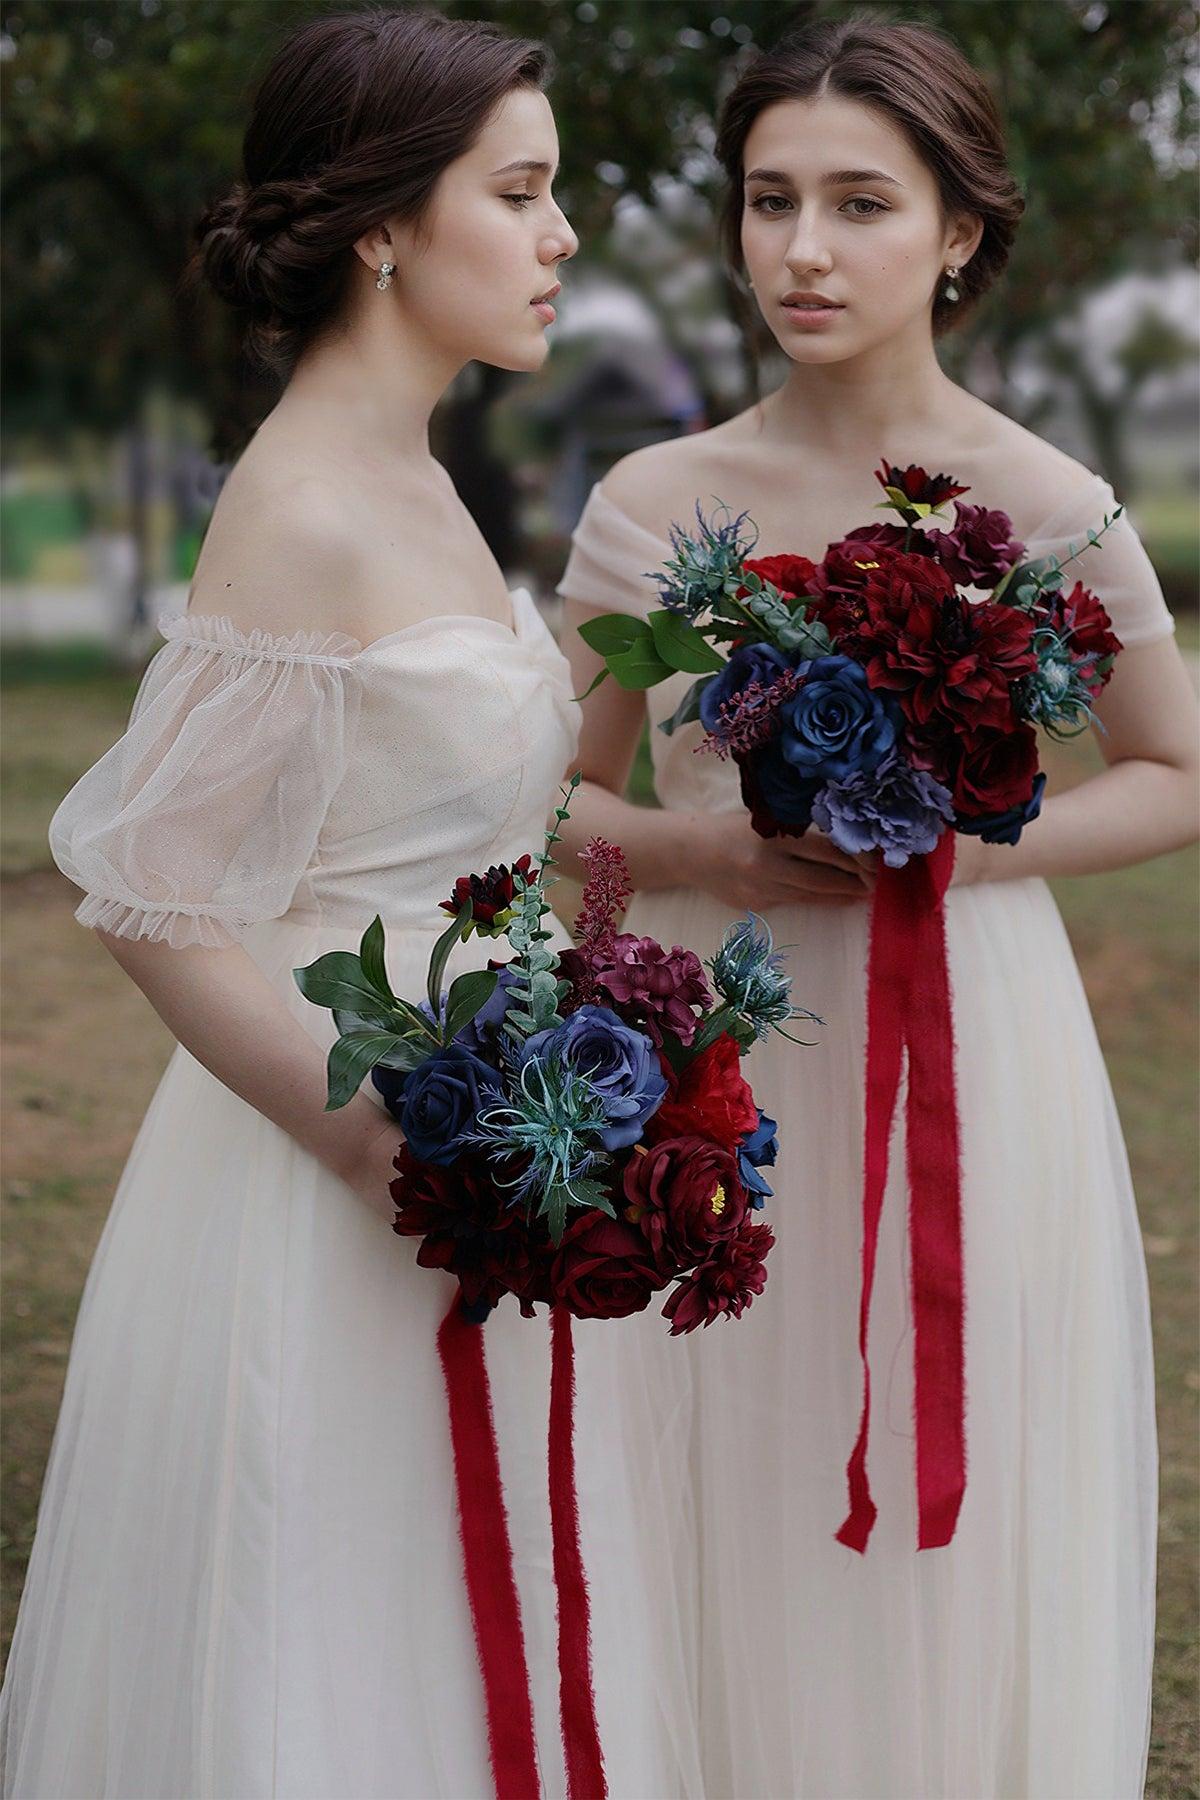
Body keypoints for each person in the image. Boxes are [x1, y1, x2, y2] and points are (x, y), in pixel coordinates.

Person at [0, 11, 696, 1796]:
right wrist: (375, 1137)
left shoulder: (428, 475)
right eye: (522, 193)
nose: (558, 241)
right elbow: (153, 900)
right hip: (350, 1155)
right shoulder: (302, 504)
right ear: (386, 226)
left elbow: (487, 811)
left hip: (500, 1120)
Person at [559, 14, 1199, 1798]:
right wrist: (690, 855)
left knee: (948, 1447)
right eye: (772, 202)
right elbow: (546, 807)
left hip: (969, 1043)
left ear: (959, 232)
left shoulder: (1047, 504)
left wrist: (961, 842)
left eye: (859, 202)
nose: (805, 251)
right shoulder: (654, 504)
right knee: (704, 1441)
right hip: (714, 1043)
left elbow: (1176, 773)